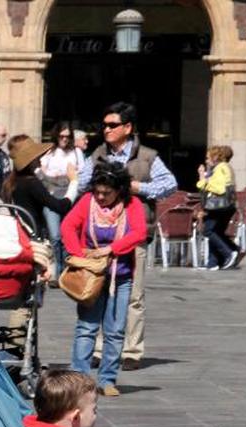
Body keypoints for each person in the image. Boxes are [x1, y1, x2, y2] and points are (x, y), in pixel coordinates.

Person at [78, 103, 177, 371]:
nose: (106, 129)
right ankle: (99, 348)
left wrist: (137, 187)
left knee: (133, 295)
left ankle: (132, 350)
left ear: (127, 128)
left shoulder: (147, 156)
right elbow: (81, 184)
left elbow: (169, 185)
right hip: (99, 236)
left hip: (134, 235)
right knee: (98, 291)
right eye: (105, 125)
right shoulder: (97, 155)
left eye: (112, 125)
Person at [63, 162, 148, 397]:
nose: (100, 197)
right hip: (91, 276)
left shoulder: (132, 205)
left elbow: (139, 232)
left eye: (106, 193)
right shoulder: (86, 202)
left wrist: (112, 248)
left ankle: (107, 379)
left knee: (116, 330)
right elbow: (68, 226)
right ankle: (79, 378)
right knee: (86, 327)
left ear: (119, 190)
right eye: (98, 191)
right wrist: (80, 256)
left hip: (119, 277)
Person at [3, 137, 72, 246]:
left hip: (17, 236)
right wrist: (74, 183)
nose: (40, 159)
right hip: (32, 238)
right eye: (37, 156)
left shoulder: (10, 182)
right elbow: (60, 207)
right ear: (30, 160)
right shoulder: (31, 183)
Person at [40, 122, 82, 269]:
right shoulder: (49, 151)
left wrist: (69, 177)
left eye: (67, 136)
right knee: (55, 236)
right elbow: (42, 173)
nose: (64, 139)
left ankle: (66, 268)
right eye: (61, 136)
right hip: (51, 197)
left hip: (70, 198)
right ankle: (56, 269)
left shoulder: (76, 152)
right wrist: (59, 176)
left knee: (67, 236)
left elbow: (80, 175)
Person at [196, 145, 242, 271]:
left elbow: (220, 188)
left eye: (208, 157)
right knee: (216, 231)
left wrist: (204, 180)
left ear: (215, 157)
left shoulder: (221, 168)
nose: (206, 160)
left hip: (219, 206)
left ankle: (230, 252)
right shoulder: (225, 167)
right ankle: (213, 263)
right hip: (227, 205)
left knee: (208, 230)